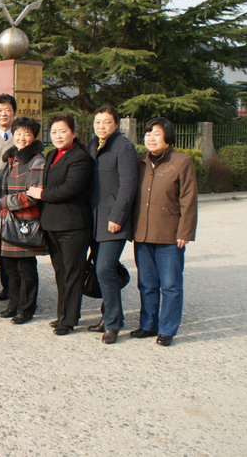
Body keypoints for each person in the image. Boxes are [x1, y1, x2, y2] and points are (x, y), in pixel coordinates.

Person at [130, 118, 198, 347]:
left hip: (170, 235)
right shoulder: (140, 162)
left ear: (168, 137)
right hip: (142, 234)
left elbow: (188, 198)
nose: (151, 138)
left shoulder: (181, 162)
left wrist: (185, 231)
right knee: (146, 283)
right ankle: (148, 324)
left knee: (170, 285)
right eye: (148, 134)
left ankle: (167, 329)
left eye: (156, 134)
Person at [27, 114, 93, 336]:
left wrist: (43, 194)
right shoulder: (52, 154)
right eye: (54, 132)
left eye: (63, 131)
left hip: (73, 225)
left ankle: (69, 319)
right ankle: (63, 314)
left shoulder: (80, 158)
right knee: (60, 272)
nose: (58, 136)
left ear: (73, 133)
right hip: (53, 223)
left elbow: (71, 188)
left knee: (73, 273)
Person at [87, 105, 138, 344]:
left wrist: (118, 217)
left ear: (116, 124)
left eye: (106, 122)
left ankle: (113, 324)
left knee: (105, 268)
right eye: (98, 122)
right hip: (94, 220)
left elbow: (128, 186)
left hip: (113, 221)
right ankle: (108, 316)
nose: (101, 126)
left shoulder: (123, 147)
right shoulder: (93, 144)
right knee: (102, 269)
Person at [0, 117, 48, 324]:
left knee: (26, 269)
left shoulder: (37, 161)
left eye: (27, 134)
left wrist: (5, 201)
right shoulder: (11, 158)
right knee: (10, 268)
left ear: (34, 137)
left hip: (24, 222)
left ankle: (26, 309)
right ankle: (13, 305)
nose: (22, 138)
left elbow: (34, 194)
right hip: (6, 220)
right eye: (18, 133)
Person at [0, 93, 17, 302]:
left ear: (14, 113)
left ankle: (19, 286)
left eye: (7, 110)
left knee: (18, 241)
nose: (3, 114)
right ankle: (7, 285)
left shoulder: (22, 136)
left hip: (17, 199)